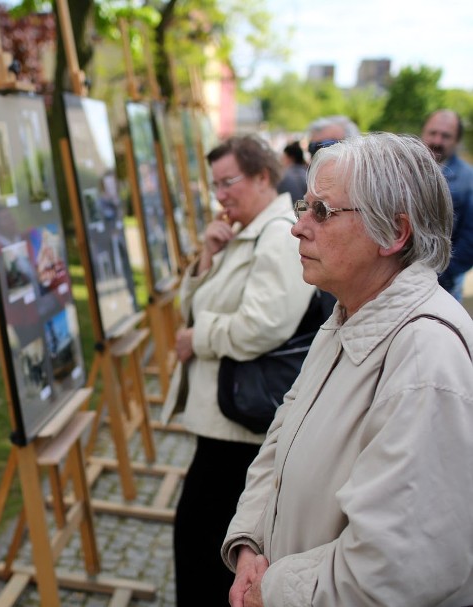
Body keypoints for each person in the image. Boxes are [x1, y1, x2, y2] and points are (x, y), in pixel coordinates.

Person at [223, 133, 473, 607]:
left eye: (322, 211)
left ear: (394, 233)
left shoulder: (425, 358)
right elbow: (280, 443)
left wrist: (269, 590)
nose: (298, 227)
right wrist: (251, 542)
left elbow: (398, 568)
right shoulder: (349, 314)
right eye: (304, 206)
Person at [172, 135, 315, 606]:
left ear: (261, 176)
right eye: (214, 184)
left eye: (228, 181)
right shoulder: (244, 231)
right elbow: (190, 305)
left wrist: (200, 338)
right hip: (223, 418)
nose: (220, 194)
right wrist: (209, 257)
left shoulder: (276, 236)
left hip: (239, 422)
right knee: (201, 537)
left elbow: (265, 324)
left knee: (204, 543)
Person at [421, 108, 473, 300]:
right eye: (432, 133)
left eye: (446, 136)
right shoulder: (403, 170)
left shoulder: (469, 180)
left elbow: (471, 238)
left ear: (456, 141)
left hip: (443, 286)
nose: (437, 141)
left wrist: (442, 275)